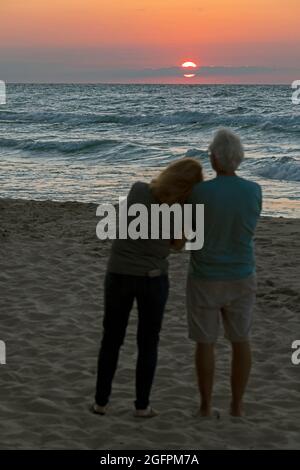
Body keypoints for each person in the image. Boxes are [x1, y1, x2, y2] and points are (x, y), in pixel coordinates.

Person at [93, 158, 203, 418]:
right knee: (147, 343)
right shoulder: (181, 210)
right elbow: (177, 246)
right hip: (152, 278)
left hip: (119, 273)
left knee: (111, 340)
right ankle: (142, 405)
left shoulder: (138, 190)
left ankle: (101, 403)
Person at [187, 128, 262, 417]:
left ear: (215, 158)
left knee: (205, 342)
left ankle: (205, 406)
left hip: (205, 274)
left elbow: (191, 230)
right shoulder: (254, 190)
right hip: (242, 272)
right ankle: (237, 405)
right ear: (238, 159)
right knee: (240, 339)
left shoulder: (199, 192)